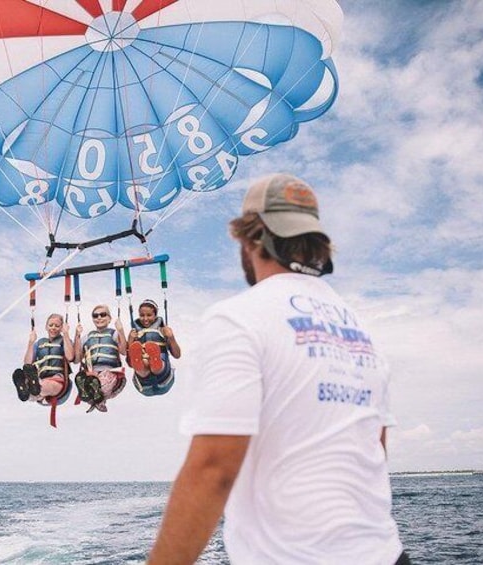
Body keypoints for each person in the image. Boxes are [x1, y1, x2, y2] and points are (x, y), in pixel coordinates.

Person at [148, 173, 409, 564]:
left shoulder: (239, 318)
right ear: (316, 241)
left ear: (250, 239)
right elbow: (375, 448)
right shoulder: (359, 328)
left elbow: (213, 470)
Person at [12, 313, 74, 424]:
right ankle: (27, 389)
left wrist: (66, 334)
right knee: (36, 383)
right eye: (51, 325)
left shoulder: (65, 340)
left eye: (57, 325)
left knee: (46, 385)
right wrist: (31, 342)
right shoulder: (39, 343)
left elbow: (70, 356)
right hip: (41, 377)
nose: (53, 328)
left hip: (58, 381)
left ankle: (33, 388)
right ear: (46, 326)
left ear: (61, 327)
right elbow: (27, 363)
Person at [73, 304, 128, 412]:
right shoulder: (88, 336)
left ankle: (93, 391)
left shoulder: (114, 333)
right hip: (93, 372)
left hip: (110, 371)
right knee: (90, 380)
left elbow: (123, 351)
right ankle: (92, 390)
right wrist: (77, 336)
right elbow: (77, 359)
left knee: (103, 380)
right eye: (95, 315)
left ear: (109, 319)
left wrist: (121, 330)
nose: (99, 318)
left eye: (103, 315)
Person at [127, 299, 181, 396]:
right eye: (142, 315)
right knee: (143, 363)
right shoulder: (134, 333)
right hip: (144, 385)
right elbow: (129, 363)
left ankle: (156, 363)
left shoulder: (162, 330)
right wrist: (130, 340)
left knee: (156, 362)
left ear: (155, 315)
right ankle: (143, 364)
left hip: (164, 379)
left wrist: (171, 337)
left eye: (149, 315)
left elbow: (177, 355)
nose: (145, 319)